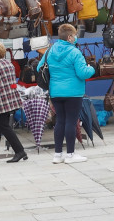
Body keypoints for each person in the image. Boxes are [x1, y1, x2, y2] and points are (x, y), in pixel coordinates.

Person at [39, 23, 95, 164]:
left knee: (60, 121)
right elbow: (82, 73)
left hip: (55, 92)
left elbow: (40, 67)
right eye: (75, 35)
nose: (76, 38)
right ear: (70, 37)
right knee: (71, 121)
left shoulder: (49, 51)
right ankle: (71, 154)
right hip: (73, 93)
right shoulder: (75, 52)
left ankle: (58, 155)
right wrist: (92, 68)